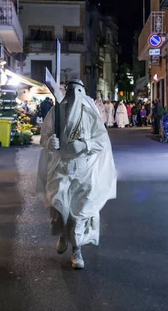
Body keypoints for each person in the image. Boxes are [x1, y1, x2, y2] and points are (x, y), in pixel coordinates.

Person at [38, 79, 117, 270]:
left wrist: (85, 145)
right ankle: (63, 234)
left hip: (84, 171)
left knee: (80, 213)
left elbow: (101, 140)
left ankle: (77, 249)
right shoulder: (56, 112)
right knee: (60, 206)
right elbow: (44, 136)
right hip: (61, 169)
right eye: (70, 90)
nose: (74, 94)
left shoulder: (91, 114)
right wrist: (50, 144)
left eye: (78, 90)